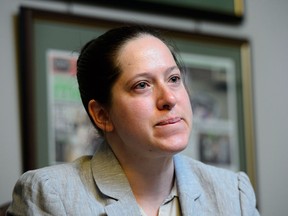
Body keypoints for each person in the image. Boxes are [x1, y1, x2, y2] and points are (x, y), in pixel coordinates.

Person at [7, 25, 260, 216]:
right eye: (142, 85)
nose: (169, 99)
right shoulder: (50, 195)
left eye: (173, 79)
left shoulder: (233, 195)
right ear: (102, 115)